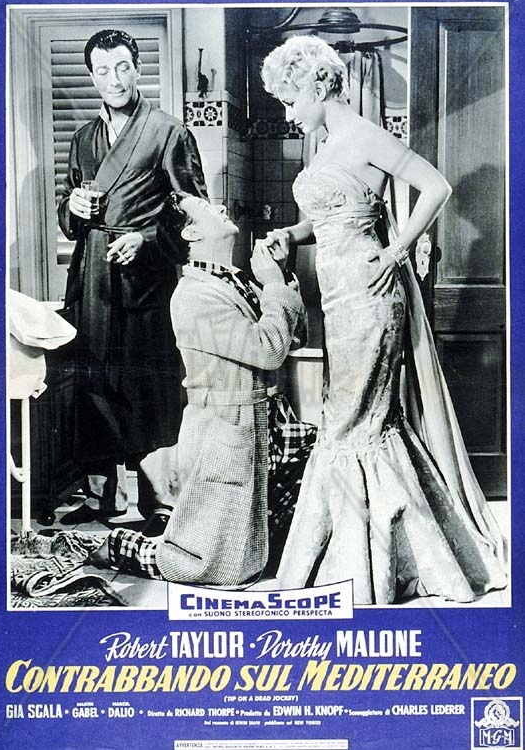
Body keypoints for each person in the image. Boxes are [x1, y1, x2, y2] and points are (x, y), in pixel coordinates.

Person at [260, 35, 507, 604]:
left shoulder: (366, 135)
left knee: (354, 424)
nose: (289, 113)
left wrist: (397, 251)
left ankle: (361, 565)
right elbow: (333, 217)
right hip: (337, 301)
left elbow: (437, 186)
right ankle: (372, 553)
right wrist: (290, 234)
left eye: (290, 100)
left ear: (318, 85)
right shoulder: (325, 144)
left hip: (371, 299)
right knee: (354, 420)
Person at [87, 194, 310, 585]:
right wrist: (275, 285)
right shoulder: (194, 296)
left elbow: (295, 337)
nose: (221, 208)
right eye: (207, 209)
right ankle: (120, 547)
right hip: (225, 431)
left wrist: (282, 275)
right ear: (191, 233)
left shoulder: (236, 280)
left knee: (324, 464)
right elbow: (269, 350)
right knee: (213, 565)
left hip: (266, 423)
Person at [57, 30, 207, 535]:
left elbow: (195, 215)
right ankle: (102, 498)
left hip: (147, 281)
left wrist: (147, 239)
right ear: (92, 76)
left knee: (149, 388)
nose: (114, 80)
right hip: (93, 278)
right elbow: (68, 215)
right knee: (95, 384)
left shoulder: (168, 132)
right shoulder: (83, 139)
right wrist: (73, 208)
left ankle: (159, 501)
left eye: (122, 67)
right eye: (102, 70)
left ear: (138, 68)